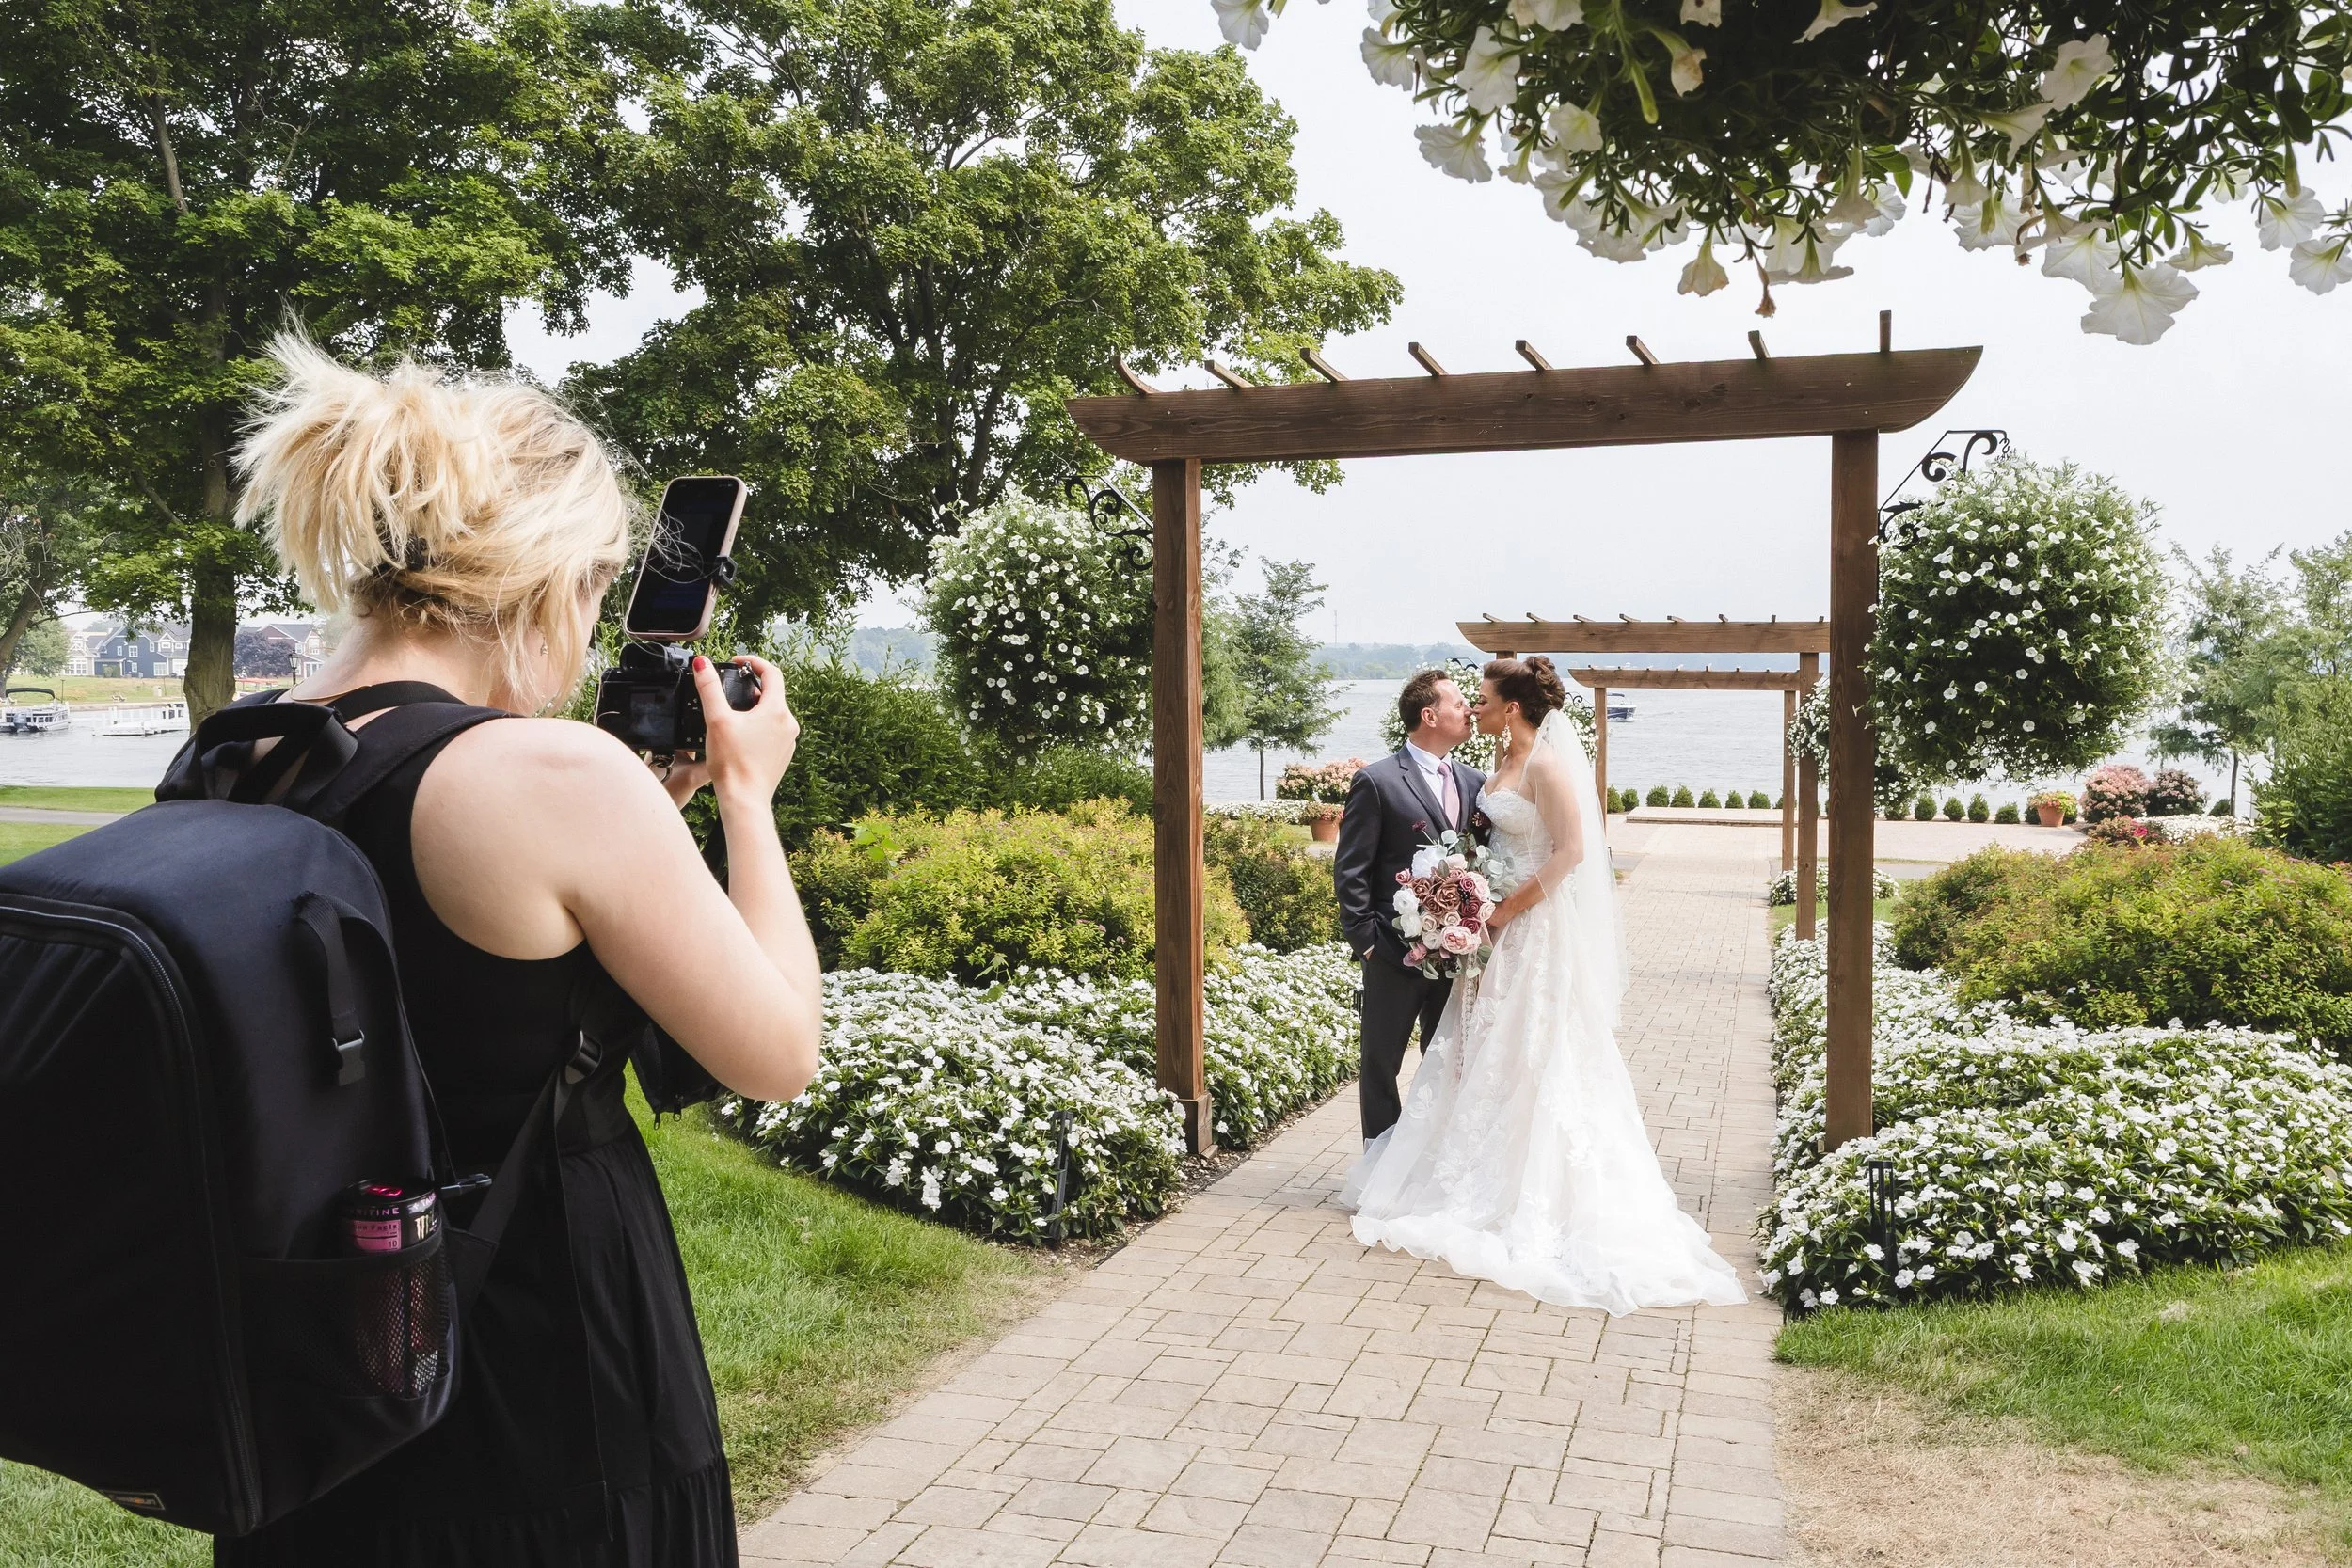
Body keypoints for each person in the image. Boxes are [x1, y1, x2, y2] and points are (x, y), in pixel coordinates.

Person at [211, 337, 823, 1566]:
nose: (591, 632)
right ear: (542, 577)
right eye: (594, 591)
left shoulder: (239, 749)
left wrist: (646, 812)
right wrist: (746, 801)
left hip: (310, 1384)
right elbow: (775, 1049)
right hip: (542, 1381)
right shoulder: (552, 772)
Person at [1341, 657, 1744, 1316]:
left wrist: (1498, 910)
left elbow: (1572, 851)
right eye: (1468, 700)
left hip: (1531, 932)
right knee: (1479, 1053)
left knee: (1536, 1050)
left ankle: (1528, 1184)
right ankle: (1445, 1166)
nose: (1477, 707)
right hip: (1484, 940)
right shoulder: (1489, 773)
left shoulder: (1545, 767)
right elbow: (1468, 852)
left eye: (1486, 699)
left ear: (1514, 708)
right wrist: (1458, 906)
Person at [1332, 669, 1485, 1144]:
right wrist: (1366, 941)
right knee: (1381, 1062)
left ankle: (1426, 1156)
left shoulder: (1476, 782)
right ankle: (1377, 1160)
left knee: (1446, 1060)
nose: (1470, 710)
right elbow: (1351, 867)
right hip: (1392, 951)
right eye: (1459, 703)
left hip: (1457, 955)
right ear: (1429, 714)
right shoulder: (1377, 782)